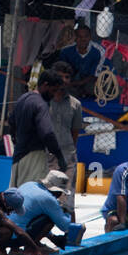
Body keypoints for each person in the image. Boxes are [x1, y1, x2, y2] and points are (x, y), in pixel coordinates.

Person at [7, 70, 69, 188]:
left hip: (19, 156)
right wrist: (59, 155)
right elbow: (47, 133)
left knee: (17, 195)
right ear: (45, 85)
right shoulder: (41, 104)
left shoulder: (23, 98)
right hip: (34, 156)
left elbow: (11, 122)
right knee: (32, 193)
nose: (54, 94)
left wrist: (16, 141)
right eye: (53, 90)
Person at [8, 171, 83, 255]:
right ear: (57, 191)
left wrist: (52, 236)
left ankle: (15, 250)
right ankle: (29, 249)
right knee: (49, 219)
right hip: (19, 237)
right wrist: (67, 211)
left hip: (6, 235)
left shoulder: (29, 184)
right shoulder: (49, 199)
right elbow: (65, 226)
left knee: (33, 215)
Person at [47, 61, 83, 217]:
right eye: (60, 76)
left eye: (67, 77)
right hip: (45, 157)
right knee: (45, 198)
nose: (63, 80)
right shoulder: (42, 101)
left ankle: (71, 235)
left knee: (67, 200)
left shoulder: (75, 105)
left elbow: (75, 132)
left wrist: (68, 154)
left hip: (67, 156)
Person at [57, 24, 107, 98]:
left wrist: (79, 83)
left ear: (90, 37)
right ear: (75, 38)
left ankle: (84, 94)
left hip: (90, 80)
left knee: (94, 88)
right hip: (74, 79)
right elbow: (62, 71)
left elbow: (95, 75)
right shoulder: (66, 51)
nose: (83, 39)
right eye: (79, 37)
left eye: (86, 36)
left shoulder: (99, 51)